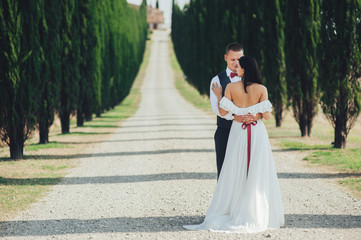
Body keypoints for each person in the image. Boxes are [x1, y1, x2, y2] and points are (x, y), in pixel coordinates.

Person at [184, 56, 284, 233]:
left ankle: (233, 206)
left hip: (238, 131)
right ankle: (255, 210)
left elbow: (223, 111)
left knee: (236, 167)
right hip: (256, 132)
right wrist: (256, 115)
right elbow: (267, 115)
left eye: (238, 66)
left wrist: (222, 99)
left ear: (244, 70)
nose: (236, 68)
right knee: (256, 168)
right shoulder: (262, 89)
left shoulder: (230, 87)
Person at [210, 42, 261, 179]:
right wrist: (235, 117)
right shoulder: (217, 80)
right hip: (225, 131)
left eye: (239, 59)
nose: (236, 63)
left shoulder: (253, 80)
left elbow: (260, 103)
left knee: (246, 171)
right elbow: (216, 108)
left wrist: (254, 116)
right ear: (226, 58)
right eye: (233, 59)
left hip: (246, 132)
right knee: (224, 170)